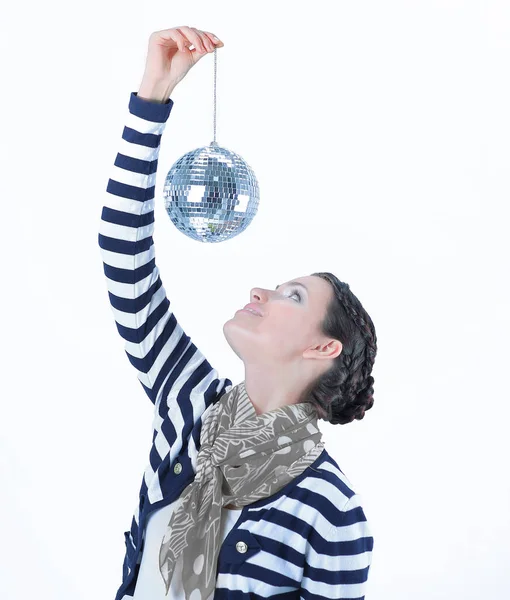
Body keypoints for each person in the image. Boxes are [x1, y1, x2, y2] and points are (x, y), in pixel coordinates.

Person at [98, 25, 376, 600]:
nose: (260, 294)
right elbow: (123, 258)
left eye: (291, 296)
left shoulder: (331, 509)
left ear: (323, 347)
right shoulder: (189, 405)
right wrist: (151, 98)